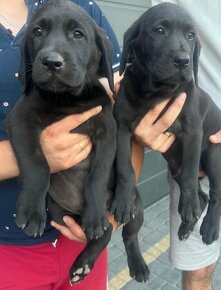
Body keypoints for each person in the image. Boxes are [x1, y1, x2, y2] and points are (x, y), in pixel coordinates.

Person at [0, 0, 137, 289]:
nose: (52, 53)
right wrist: (38, 160)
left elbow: (124, 121)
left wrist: (109, 216)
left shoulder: (85, 6)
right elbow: (20, 121)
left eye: (77, 35)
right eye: (38, 33)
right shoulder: (32, 103)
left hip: (81, 235)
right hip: (9, 250)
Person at [133, 0, 221, 289]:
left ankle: (213, 201)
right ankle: (203, 200)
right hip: (191, 163)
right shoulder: (165, 9)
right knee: (195, 273)